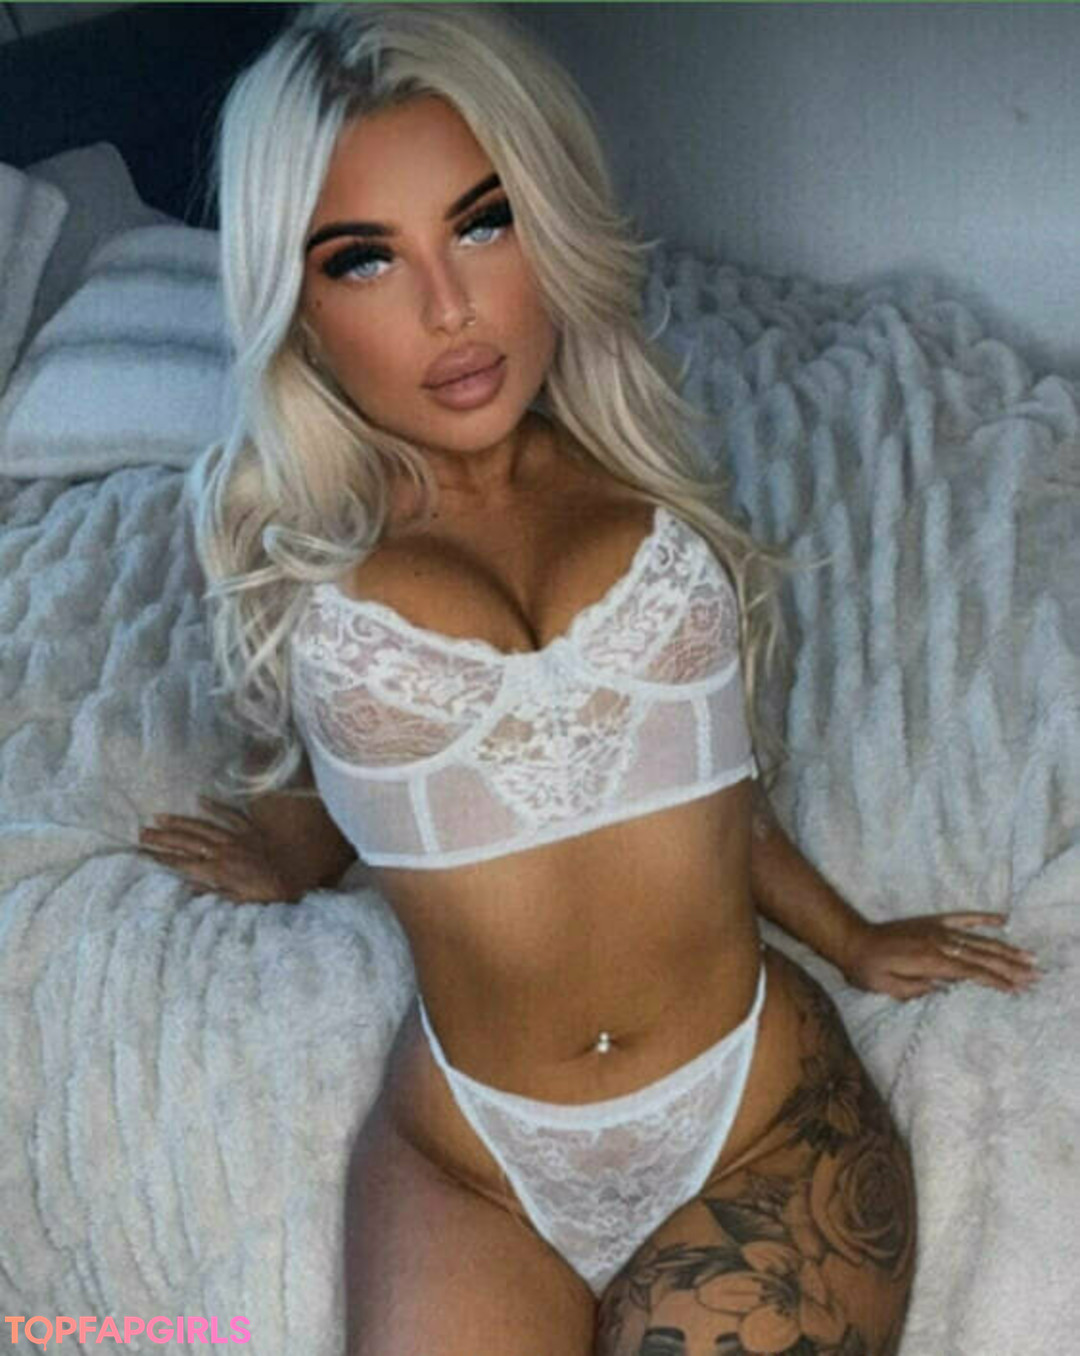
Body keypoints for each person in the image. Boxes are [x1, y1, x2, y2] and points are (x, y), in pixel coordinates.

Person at [138, 6, 1039, 1353]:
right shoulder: (302, 563)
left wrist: (851, 940)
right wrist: (287, 843)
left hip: (753, 1119)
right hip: (472, 1166)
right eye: (365, 259)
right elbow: (371, 782)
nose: (449, 308)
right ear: (300, 310)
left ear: (548, 223)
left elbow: (703, 791)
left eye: (483, 224)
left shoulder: (642, 490)